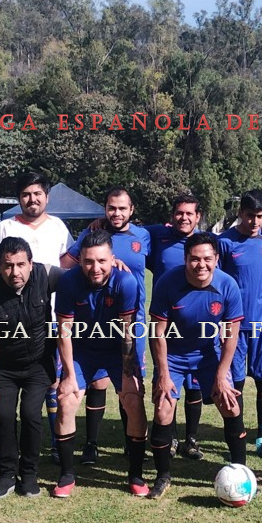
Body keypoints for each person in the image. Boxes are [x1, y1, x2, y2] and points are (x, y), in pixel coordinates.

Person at [0, 172, 74, 467]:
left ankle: (57, 444)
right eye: (25, 194)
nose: (32, 199)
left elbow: (68, 268)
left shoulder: (58, 227)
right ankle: (7, 454)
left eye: (37, 194)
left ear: (46, 197)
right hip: (11, 320)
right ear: (18, 198)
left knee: (51, 385)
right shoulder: (5, 227)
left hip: (51, 319)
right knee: (9, 390)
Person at [147, 232, 245, 500]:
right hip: (174, 356)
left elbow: (231, 335)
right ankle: (163, 476)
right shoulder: (168, 283)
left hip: (207, 355)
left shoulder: (228, 285)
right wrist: (163, 374)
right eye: (195, 259)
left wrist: (222, 376)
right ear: (185, 259)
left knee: (230, 405)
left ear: (216, 259)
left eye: (207, 259)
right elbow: (157, 333)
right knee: (163, 410)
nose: (201, 265)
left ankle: (241, 470)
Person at [53, 231, 147, 497]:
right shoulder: (69, 281)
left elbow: (127, 332)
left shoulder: (126, 282)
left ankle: (136, 475)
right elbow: (64, 332)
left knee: (133, 400)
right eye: (89, 261)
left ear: (112, 259)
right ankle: (66, 475)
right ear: (80, 260)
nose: (95, 268)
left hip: (116, 351)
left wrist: (128, 373)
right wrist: (69, 375)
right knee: (67, 400)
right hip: (82, 350)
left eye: (102, 261)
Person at [61, 188, 151, 464]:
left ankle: (130, 444)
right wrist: (104, 264)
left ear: (131, 210)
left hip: (132, 322)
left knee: (130, 388)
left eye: (122, 208)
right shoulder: (92, 234)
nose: (117, 213)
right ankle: (91, 444)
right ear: (105, 208)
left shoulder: (145, 236)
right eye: (112, 208)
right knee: (97, 383)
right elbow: (65, 265)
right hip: (94, 319)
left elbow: (175, 246)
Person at [0, 237, 63, 498]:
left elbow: (82, 276)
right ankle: (7, 474)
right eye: (8, 266)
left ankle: (30, 475)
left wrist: (113, 264)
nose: (15, 272)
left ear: (31, 263)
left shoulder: (46, 275)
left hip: (39, 364)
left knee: (31, 415)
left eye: (21, 264)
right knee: (3, 416)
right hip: (4, 367)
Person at [144, 195, 208, 458]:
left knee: (194, 385)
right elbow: (128, 229)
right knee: (166, 380)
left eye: (189, 213)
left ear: (198, 216)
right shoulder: (158, 236)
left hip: (198, 321)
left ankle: (191, 439)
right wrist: (100, 221)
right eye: (179, 213)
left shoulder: (206, 243)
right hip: (166, 321)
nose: (184, 218)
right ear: (172, 216)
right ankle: (169, 437)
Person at [217, 190, 262, 461]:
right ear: (240, 213)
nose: (255, 221)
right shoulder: (224, 243)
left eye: (260, 216)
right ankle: (238, 437)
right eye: (250, 215)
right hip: (234, 326)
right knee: (237, 384)